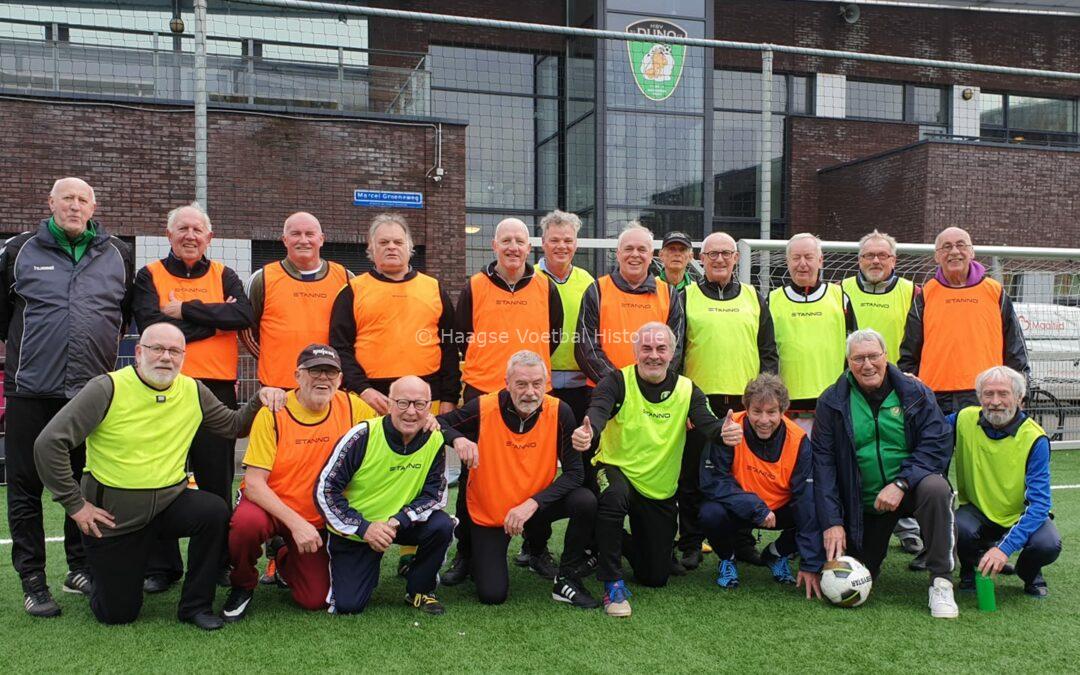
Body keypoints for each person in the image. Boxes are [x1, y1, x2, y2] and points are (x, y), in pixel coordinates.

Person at [33, 323, 282, 630]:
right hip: (115, 517)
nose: (166, 357)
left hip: (168, 504)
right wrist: (75, 505)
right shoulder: (106, 388)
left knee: (215, 510)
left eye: (174, 351)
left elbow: (232, 426)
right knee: (117, 615)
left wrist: (260, 397)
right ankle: (106, 573)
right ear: (139, 353)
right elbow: (48, 444)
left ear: (183, 356)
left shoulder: (192, 390)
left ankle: (195, 606)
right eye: (157, 349)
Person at [1, 177, 134, 616]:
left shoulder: (118, 254)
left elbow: (124, 319)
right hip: (29, 391)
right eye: (67, 199)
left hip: (88, 396)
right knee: (25, 487)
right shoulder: (18, 251)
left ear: (94, 206)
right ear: (51, 203)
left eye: (83, 200)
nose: (75, 206)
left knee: (85, 482)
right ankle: (33, 580)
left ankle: (79, 567)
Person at [572, 322, 742, 618]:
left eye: (661, 348)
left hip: (659, 486)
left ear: (672, 353)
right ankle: (612, 583)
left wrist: (723, 432)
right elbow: (597, 412)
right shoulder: (616, 381)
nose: (654, 355)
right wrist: (589, 432)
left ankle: (600, 539)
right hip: (616, 469)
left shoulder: (687, 389)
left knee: (655, 576)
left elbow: (708, 422)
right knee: (613, 497)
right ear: (635, 351)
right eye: (647, 348)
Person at [133, 201, 254, 592]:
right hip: (162, 389)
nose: (189, 235)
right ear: (169, 235)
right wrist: (214, 320)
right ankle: (161, 567)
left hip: (215, 390)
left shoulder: (226, 274)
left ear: (209, 237)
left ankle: (216, 563)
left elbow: (243, 316)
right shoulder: (148, 274)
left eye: (197, 230)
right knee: (159, 479)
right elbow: (151, 327)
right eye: (182, 229)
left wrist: (184, 312)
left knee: (216, 482)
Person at [443, 217, 563, 585]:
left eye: (520, 241)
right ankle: (465, 553)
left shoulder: (546, 286)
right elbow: (459, 337)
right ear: (493, 246)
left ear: (530, 248)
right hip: (483, 393)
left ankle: (536, 547)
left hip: (532, 395)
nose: (513, 247)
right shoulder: (475, 286)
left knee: (537, 473)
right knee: (472, 476)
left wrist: (527, 378)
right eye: (506, 240)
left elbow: (553, 337)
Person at [221, 344, 377, 622]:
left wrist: (427, 420)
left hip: (318, 516)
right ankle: (243, 585)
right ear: (297, 375)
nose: (323, 379)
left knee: (315, 599)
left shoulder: (353, 406)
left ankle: (282, 556)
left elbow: (390, 427)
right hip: (270, 505)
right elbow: (255, 484)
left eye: (330, 373)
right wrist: (296, 524)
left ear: (340, 379)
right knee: (245, 525)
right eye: (315, 371)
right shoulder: (273, 411)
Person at [812, 329, 958, 618]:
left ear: (886, 356)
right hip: (864, 501)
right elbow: (824, 465)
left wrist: (902, 483)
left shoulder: (915, 392)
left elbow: (937, 443)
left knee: (936, 488)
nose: (867, 365)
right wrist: (832, 522)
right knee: (862, 570)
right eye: (858, 358)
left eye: (873, 356)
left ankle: (941, 582)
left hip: (908, 488)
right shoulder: (831, 401)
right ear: (848, 362)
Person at [437, 351, 599, 608]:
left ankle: (565, 577)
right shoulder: (484, 406)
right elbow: (437, 423)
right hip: (491, 511)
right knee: (492, 595)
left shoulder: (561, 412)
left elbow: (575, 474)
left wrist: (532, 503)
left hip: (534, 506)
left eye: (537, 384)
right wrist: (458, 438)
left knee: (585, 500)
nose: (530, 392)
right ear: (507, 383)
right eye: (521, 384)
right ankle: (469, 557)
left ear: (546, 384)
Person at [677, 231, 778, 570]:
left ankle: (742, 542)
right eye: (712, 254)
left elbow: (768, 352)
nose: (719, 259)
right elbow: (676, 354)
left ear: (736, 257)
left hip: (743, 405)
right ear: (700, 259)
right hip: (699, 405)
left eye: (726, 253)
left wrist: (763, 399)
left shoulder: (753, 296)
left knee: (741, 478)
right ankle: (690, 543)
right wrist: (683, 403)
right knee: (691, 477)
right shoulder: (685, 296)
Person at [315, 376, 453, 616]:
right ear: (389, 404)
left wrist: (399, 519)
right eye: (402, 403)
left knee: (441, 525)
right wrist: (364, 527)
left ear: (429, 407)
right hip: (359, 529)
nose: (411, 412)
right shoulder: (362, 435)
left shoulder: (435, 438)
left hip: (398, 523)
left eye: (420, 404)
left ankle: (420, 590)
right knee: (349, 605)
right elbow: (325, 490)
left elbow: (435, 495)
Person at [840, 230, 925, 563]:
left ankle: (909, 528)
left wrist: (906, 377)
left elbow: (918, 338)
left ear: (894, 259)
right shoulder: (841, 291)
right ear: (859, 260)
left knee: (901, 449)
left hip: (898, 385)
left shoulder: (911, 292)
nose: (875, 261)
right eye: (868, 256)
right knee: (861, 450)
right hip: (855, 385)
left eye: (882, 256)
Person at [698, 374, 823, 598]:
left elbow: (805, 498)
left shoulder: (798, 439)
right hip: (742, 507)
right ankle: (728, 559)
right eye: (757, 411)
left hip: (780, 510)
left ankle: (776, 553)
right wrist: (754, 506)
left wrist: (811, 562)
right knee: (709, 512)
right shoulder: (729, 428)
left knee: (821, 510)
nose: (764, 420)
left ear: (783, 411)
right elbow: (712, 481)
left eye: (771, 412)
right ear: (746, 408)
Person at [523, 210, 596, 574]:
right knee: (535, 466)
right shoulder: (530, 278)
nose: (561, 246)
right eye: (555, 240)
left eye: (568, 240)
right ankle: (532, 544)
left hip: (580, 387)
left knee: (578, 466)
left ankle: (579, 547)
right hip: (540, 387)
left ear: (576, 244)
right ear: (543, 243)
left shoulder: (588, 281)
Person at [330, 212, 459, 415]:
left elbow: (450, 347)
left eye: (398, 241)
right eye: (383, 242)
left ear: (409, 247)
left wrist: (450, 398)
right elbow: (340, 348)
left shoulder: (433, 288)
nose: (391, 246)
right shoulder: (352, 291)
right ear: (371, 248)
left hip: (427, 401)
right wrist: (363, 390)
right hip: (371, 401)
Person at [952, 366, 1061, 598]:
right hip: (977, 512)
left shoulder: (1035, 438)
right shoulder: (963, 419)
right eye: (988, 394)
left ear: (1019, 398)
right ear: (979, 397)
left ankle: (1028, 572)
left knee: (1048, 544)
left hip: (1018, 515)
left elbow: (1040, 505)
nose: (995, 401)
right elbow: (929, 427)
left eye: (1003, 394)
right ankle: (970, 570)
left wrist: (1005, 550)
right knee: (956, 526)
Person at [898, 226, 1028, 415]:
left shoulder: (994, 291)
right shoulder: (926, 294)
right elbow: (910, 350)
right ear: (936, 256)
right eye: (947, 247)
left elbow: (1015, 347)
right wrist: (909, 388)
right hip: (934, 395)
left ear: (972, 252)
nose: (954, 252)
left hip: (985, 394)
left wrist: (1022, 390)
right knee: (937, 445)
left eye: (961, 245)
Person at [241, 212, 351, 389]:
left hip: (329, 386)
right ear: (284, 240)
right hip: (278, 387)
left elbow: (355, 332)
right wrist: (271, 357)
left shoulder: (346, 278)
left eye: (309, 234)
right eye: (295, 234)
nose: (303, 240)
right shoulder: (262, 279)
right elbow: (246, 329)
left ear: (321, 239)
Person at [576, 223, 684, 388]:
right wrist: (617, 383)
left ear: (651, 255)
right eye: (628, 249)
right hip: (605, 390)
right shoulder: (597, 290)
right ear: (618, 254)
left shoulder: (669, 295)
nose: (635, 255)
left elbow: (674, 348)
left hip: (652, 390)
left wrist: (649, 380)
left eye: (642, 250)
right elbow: (585, 346)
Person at [768, 233, 854, 421]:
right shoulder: (772, 300)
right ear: (787, 261)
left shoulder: (840, 297)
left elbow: (853, 351)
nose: (802, 264)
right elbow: (766, 354)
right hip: (787, 406)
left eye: (808, 257)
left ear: (820, 260)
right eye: (796, 258)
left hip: (832, 403)